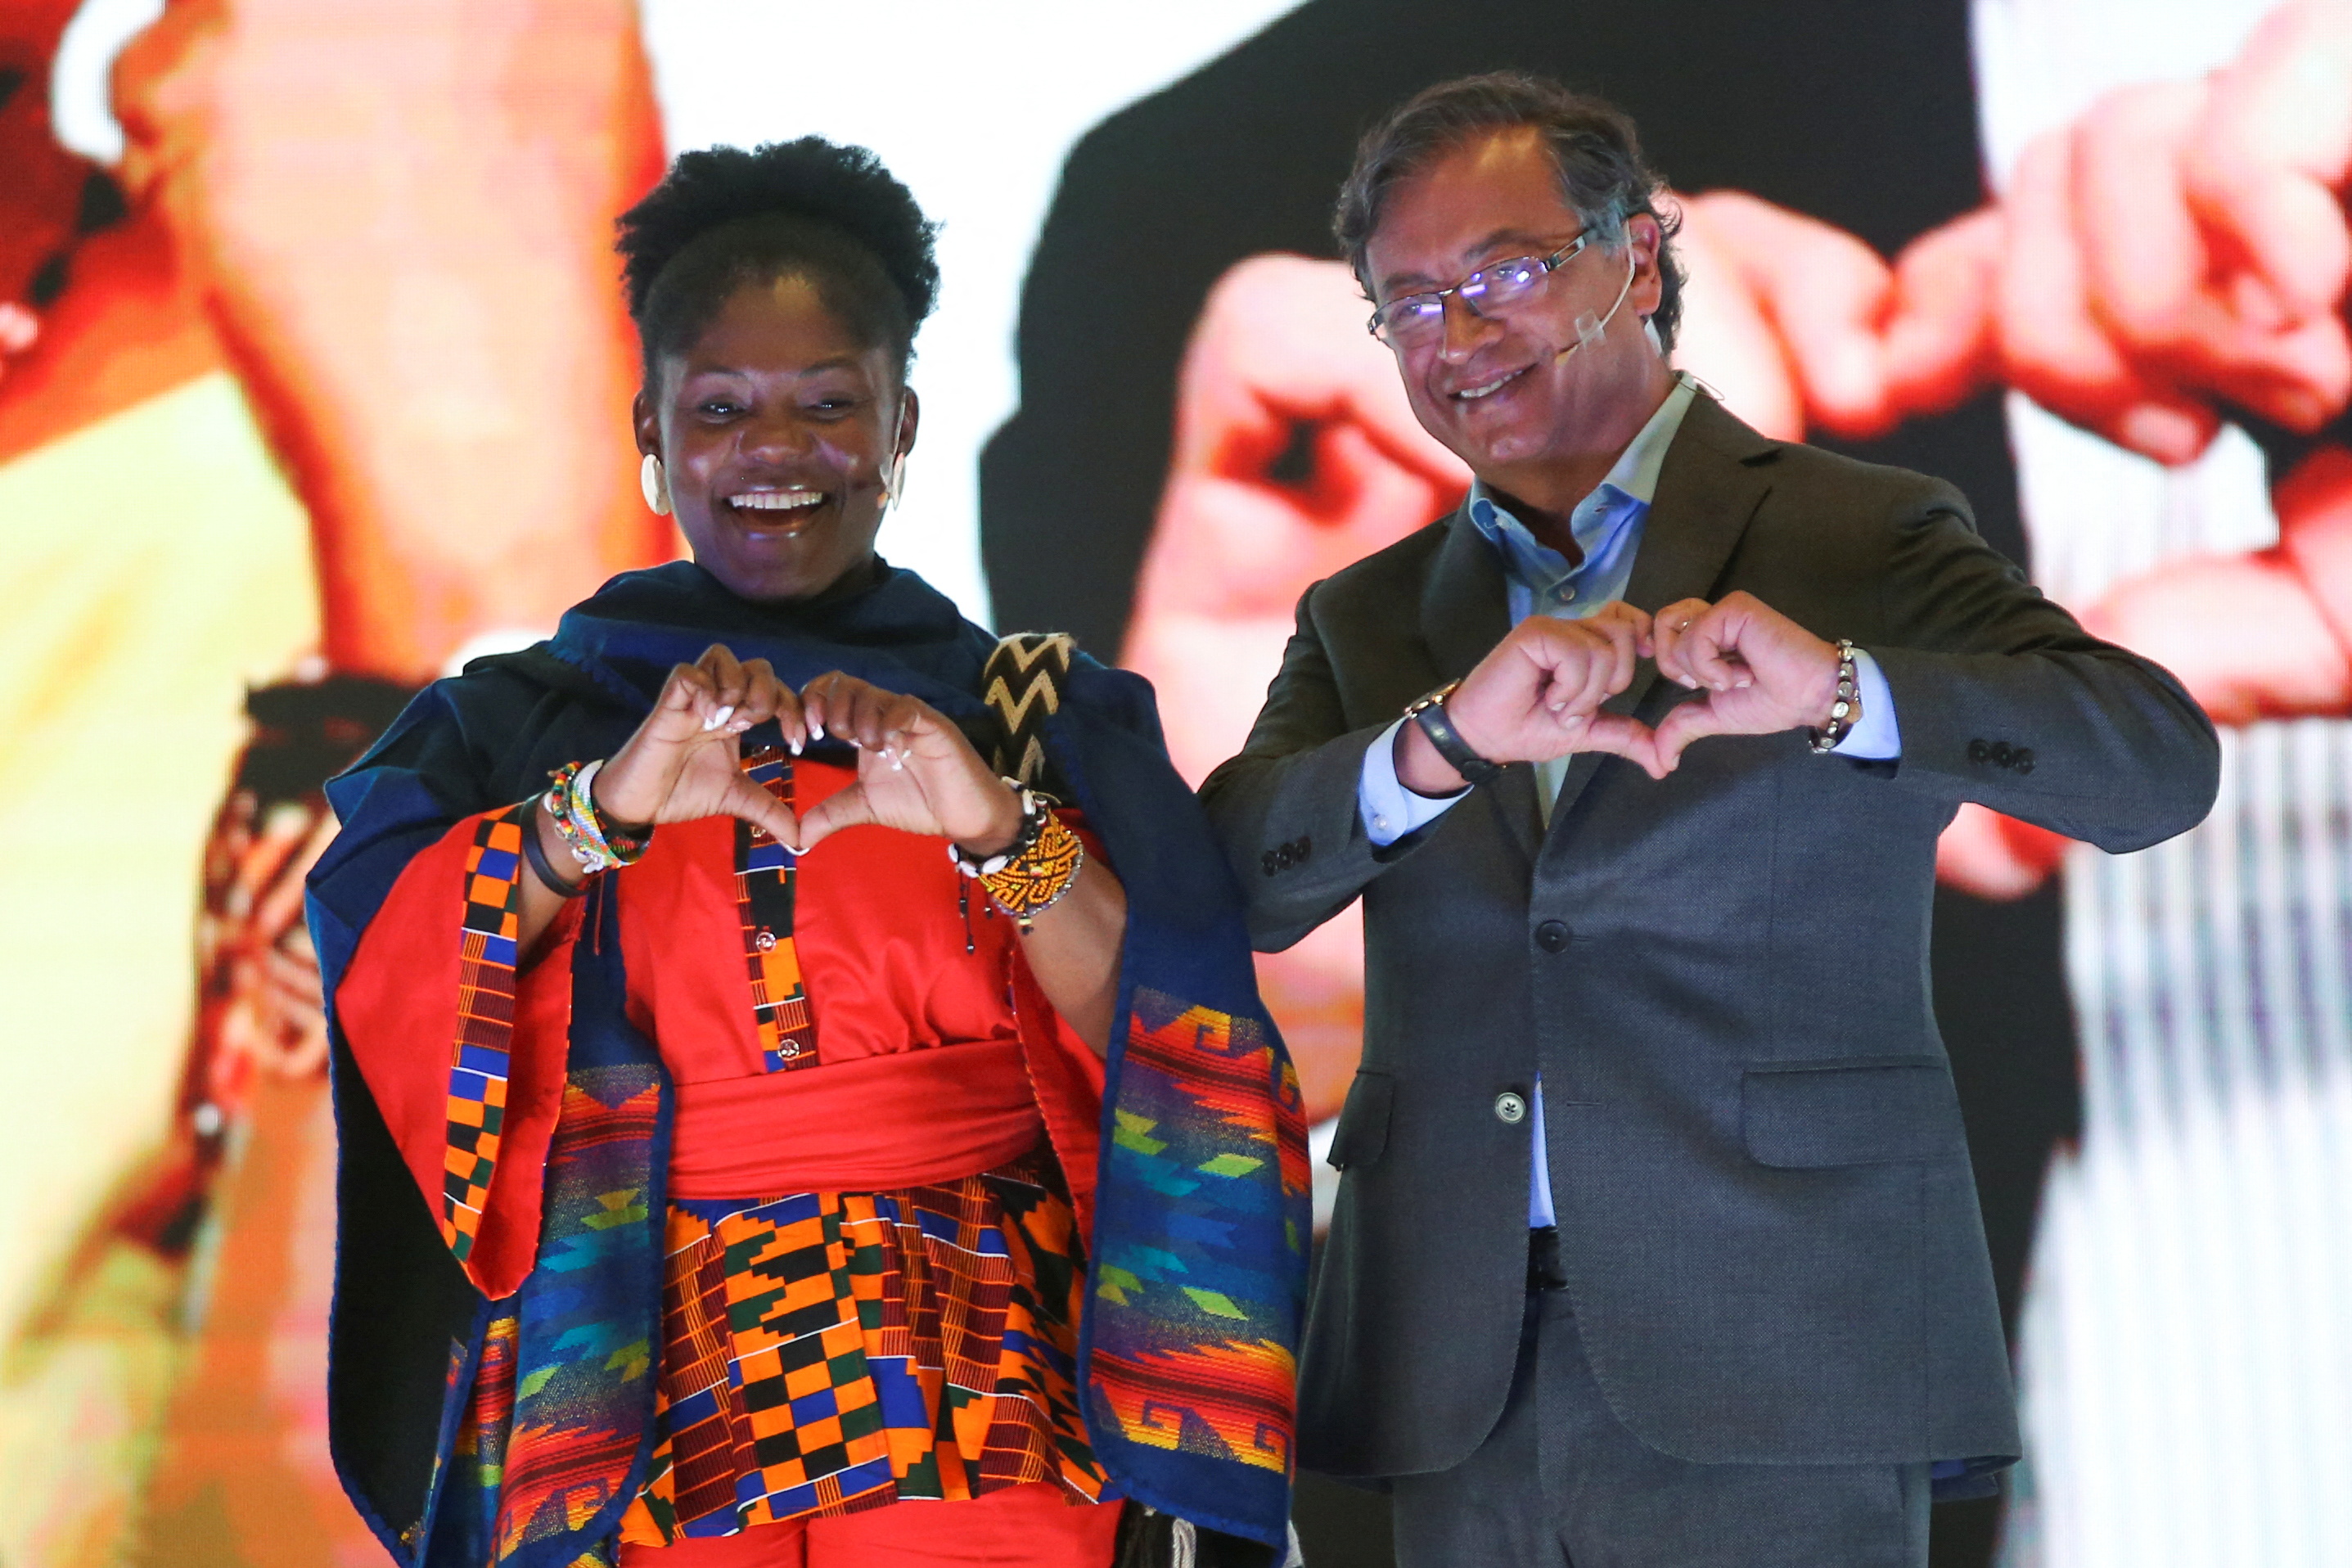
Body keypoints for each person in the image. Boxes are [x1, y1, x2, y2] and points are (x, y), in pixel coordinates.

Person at [1196, 73, 2220, 1568]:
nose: (1458, 335)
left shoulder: (1850, 532)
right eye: (1408, 303)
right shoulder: (1369, 616)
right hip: (1447, 1372)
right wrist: (1436, 747)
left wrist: (1843, 691)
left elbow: (2149, 768)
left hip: (1781, 1347)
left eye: (1506, 271)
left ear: (1637, 260)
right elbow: (1225, 888)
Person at [306, 138, 1305, 1568]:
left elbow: (1175, 1045)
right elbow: (385, 978)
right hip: (639, 1393)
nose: (775, 449)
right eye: (720, 408)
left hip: (987, 1401)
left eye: (828, 403)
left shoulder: (1034, 714)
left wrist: (994, 829)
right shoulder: (513, 730)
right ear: (649, 432)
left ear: (900, 426)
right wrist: (602, 816)